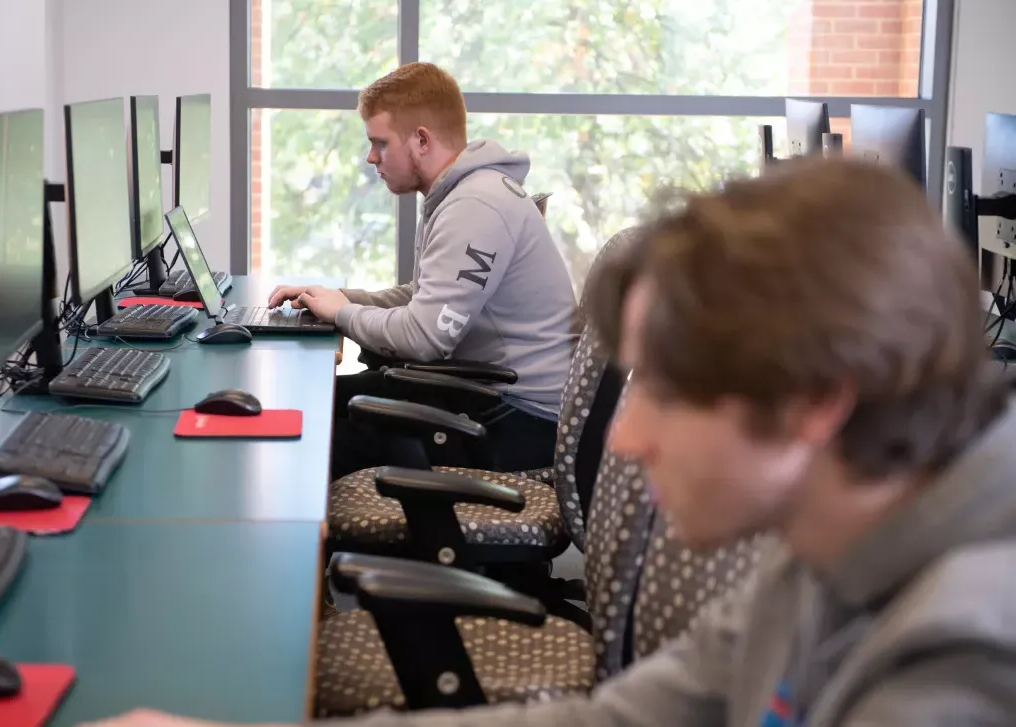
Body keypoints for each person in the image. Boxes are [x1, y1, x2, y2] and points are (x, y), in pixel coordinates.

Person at [80, 157, 1016, 727]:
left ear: (816, 402)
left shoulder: (966, 659)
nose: (630, 434)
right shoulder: (826, 548)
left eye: (669, 393)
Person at [266, 62, 578, 480]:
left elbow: (425, 336)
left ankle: (288, 543)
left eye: (380, 143)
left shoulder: (476, 208)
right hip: (490, 397)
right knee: (311, 401)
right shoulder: (461, 193)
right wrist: (339, 299)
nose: (370, 157)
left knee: (312, 435)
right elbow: (423, 295)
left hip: (520, 421)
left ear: (422, 140)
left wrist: (343, 314)